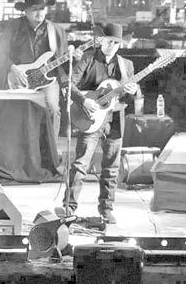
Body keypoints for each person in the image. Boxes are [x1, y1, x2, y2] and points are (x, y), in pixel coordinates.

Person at [62, 23, 143, 224]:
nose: (111, 46)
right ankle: (69, 207)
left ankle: (106, 209)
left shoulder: (126, 65)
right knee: (80, 165)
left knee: (111, 169)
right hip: (90, 118)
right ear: (101, 40)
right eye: (108, 41)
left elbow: (134, 94)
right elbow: (69, 83)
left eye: (116, 43)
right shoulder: (88, 58)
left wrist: (135, 91)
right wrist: (84, 100)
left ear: (120, 44)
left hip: (114, 121)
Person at [3, 0, 69, 137]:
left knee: (52, 108)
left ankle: (51, 146)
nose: (39, 13)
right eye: (34, 9)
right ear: (25, 11)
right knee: (16, 113)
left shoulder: (56, 30)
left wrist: (75, 57)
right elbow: (0, 52)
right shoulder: (13, 27)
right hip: (19, 78)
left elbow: (63, 59)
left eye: (42, 8)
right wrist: (13, 68)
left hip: (47, 79)